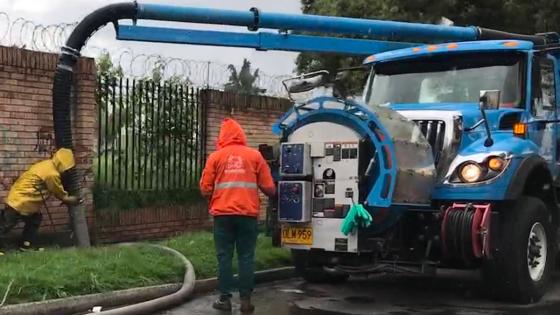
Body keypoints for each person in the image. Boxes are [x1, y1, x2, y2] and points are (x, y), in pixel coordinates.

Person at [200, 118, 276, 313]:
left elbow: (205, 188)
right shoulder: (255, 156)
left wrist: (215, 198)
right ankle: (246, 301)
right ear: (241, 135)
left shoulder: (215, 157)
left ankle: (224, 300)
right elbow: (269, 188)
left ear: (222, 137)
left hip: (223, 215)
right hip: (248, 215)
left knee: (224, 256)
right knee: (246, 257)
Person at [0, 148, 80, 255]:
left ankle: (25, 245)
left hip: (22, 199)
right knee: (5, 224)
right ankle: (24, 245)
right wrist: (73, 200)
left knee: (34, 219)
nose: (67, 171)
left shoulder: (46, 164)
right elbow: (60, 194)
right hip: (20, 200)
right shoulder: (52, 174)